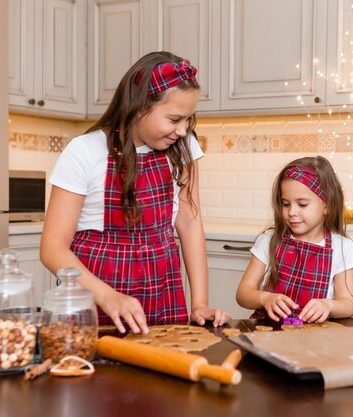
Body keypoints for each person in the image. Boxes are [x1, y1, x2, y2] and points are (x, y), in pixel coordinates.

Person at [40, 51, 230, 335]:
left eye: (189, 119)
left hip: (162, 291)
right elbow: (52, 247)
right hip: (96, 299)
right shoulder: (85, 151)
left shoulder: (183, 148)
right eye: (174, 119)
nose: (183, 130)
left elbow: (190, 223)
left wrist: (199, 303)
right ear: (140, 107)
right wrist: (106, 296)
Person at [236, 156, 353, 323]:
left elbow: (348, 303)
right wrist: (264, 298)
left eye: (302, 204)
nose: (291, 212)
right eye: (285, 204)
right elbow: (243, 293)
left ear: (327, 205)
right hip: (268, 334)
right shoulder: (269, 240)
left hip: (313, 339)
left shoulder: (342, 247)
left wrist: (328, 306)